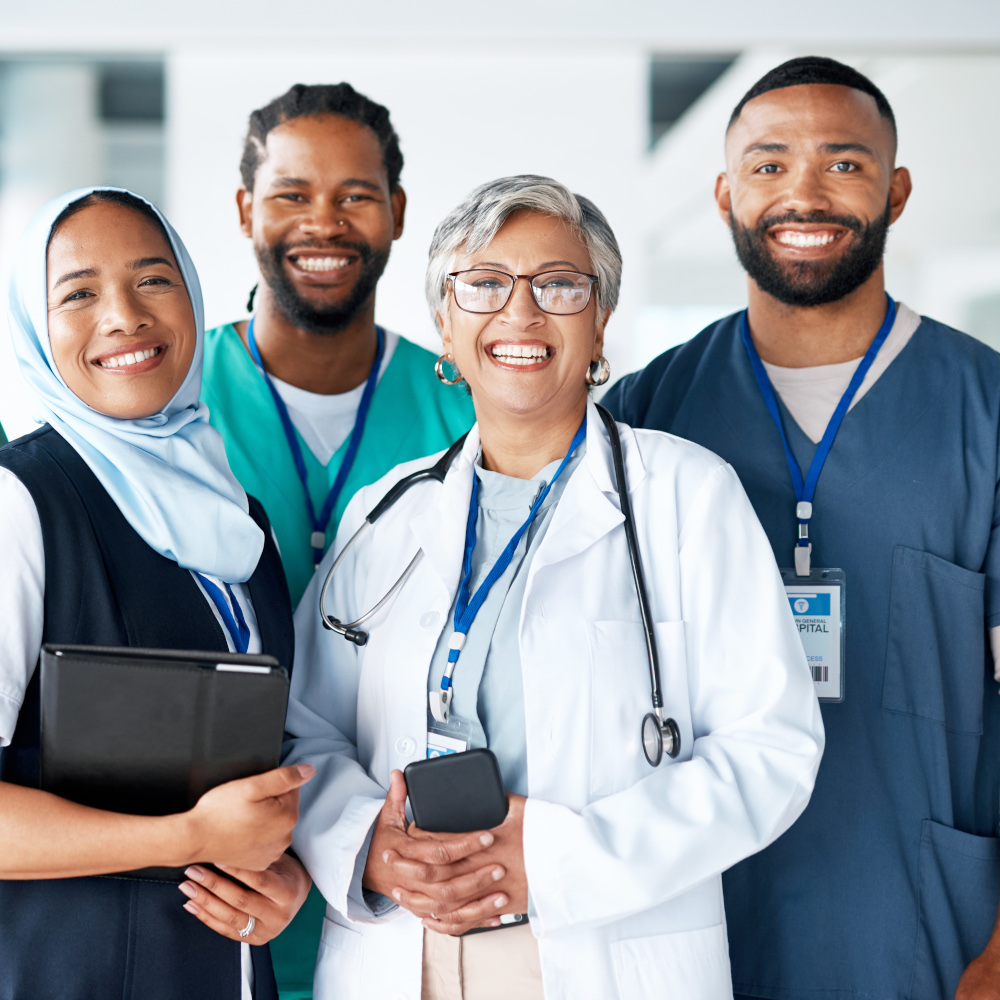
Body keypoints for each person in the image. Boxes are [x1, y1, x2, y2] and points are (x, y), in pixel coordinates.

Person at [284, 174, 825, 1000]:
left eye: (560, 285)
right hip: (401, 954)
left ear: (600, 318)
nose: (521, 313)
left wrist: (555, 860)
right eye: (485, 285)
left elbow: (771, 748)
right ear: (445, 323)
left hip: (599, 950)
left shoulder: (684, 495)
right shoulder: (384, 513)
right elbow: (303, 731)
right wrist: (368, 847)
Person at [604, 55, 1000, 1000]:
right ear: (725, 192)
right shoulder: (642, 416)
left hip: (922, 926)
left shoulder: (984, 410)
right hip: (686, 922)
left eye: (846, 164)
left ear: (896, 192)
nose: (805, 194)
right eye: (770, 165)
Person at [0, 186, 316, 1000]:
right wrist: (186, 836)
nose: (124, 317)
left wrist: (285, 881)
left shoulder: (238, 515)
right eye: (78, 293)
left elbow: (259, 763)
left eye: (153, 279)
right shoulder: (21, 503)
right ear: (36, 327)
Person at [202, 83, 475, 608]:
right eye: (291, 195)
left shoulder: (465, 405)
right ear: (246, 210)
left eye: (355, 196)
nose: (325, 223)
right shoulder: (177, 396)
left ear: (395, 210)